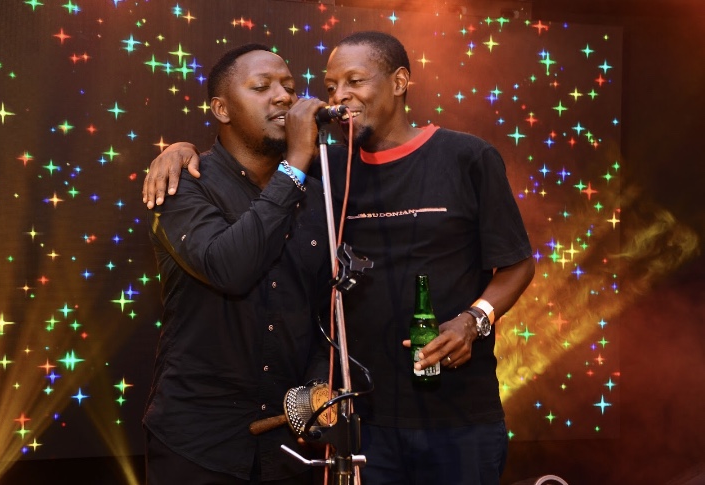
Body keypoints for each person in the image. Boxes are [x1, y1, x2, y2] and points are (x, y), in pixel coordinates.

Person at [143, 31, 535, 485]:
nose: (287, 98)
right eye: (330, 87)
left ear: (399, 82)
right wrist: (178, 151)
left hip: (442, 418)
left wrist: (475, 319)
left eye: (354, 81)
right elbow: (239, 264)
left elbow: (517, 262)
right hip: (313, 429)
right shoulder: (308, 174)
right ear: (221, 108)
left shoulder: (449, 159)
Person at [142, 43, 333, 485]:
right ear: (222, 109)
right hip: (199, 443)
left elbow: (330, 305)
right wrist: (295, 164)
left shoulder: (320, 191)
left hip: (290, 443)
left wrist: (319, 384)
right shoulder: (183, 184)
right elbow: (230, 268)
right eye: (262, 87)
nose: (283, 97)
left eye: (289, 87)